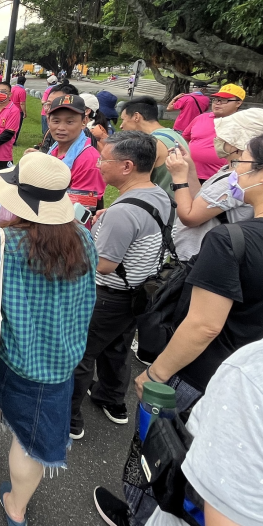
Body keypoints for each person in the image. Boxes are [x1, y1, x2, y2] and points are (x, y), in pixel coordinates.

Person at [96, 128, 263, 526]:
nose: (231, 172)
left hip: (204, 376)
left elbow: (203, 325)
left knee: (167, 462)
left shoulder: (233, 239)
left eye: (239, 163)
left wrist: (157, 373)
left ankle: (139, 523)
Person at [0, 153, 97, 526]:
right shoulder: (83, 237)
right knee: (31, 439)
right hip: (55, 359)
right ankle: (15, 505)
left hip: (1, 348)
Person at [70, 131, 171, 439]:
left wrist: (78, 241)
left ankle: (69, 418)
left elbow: (104, 263)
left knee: (81, 354)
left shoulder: (122, 212)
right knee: (117, 347)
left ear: (126, 166)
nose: (99, 164)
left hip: (108, 294)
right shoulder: (157, 194)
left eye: (104, 159)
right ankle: (112, 400)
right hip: (139, 291)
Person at [166, 108, 263, 261]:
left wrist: (178, 177)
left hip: (201, 258)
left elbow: (190, 217)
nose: (217, 139)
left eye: (224, 137)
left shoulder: (235, 181)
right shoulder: (231, 172)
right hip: (201, 254)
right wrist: (190, 169)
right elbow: (201, 200)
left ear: (238, 144)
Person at [31, 93, 106, 217]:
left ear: (84, 122)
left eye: (70, 122)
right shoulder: (54, 149)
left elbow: (78, 212)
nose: (61, 127)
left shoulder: (89, 160)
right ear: (48, 121)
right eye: (56, 121)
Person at [118, 96, 188, 198]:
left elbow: (135, 185)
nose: (121, 126)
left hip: (158, 207)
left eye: (123, 120)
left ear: (136, 117)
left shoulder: (151, 143)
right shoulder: (175, 135)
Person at [182, 83, 244, 181]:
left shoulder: (242, 124)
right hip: (190, 175)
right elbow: (185, 138)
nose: (217, 103)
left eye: (224, 100)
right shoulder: (200, 118)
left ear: (238, 103)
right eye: (216, 99)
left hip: (220, 179)